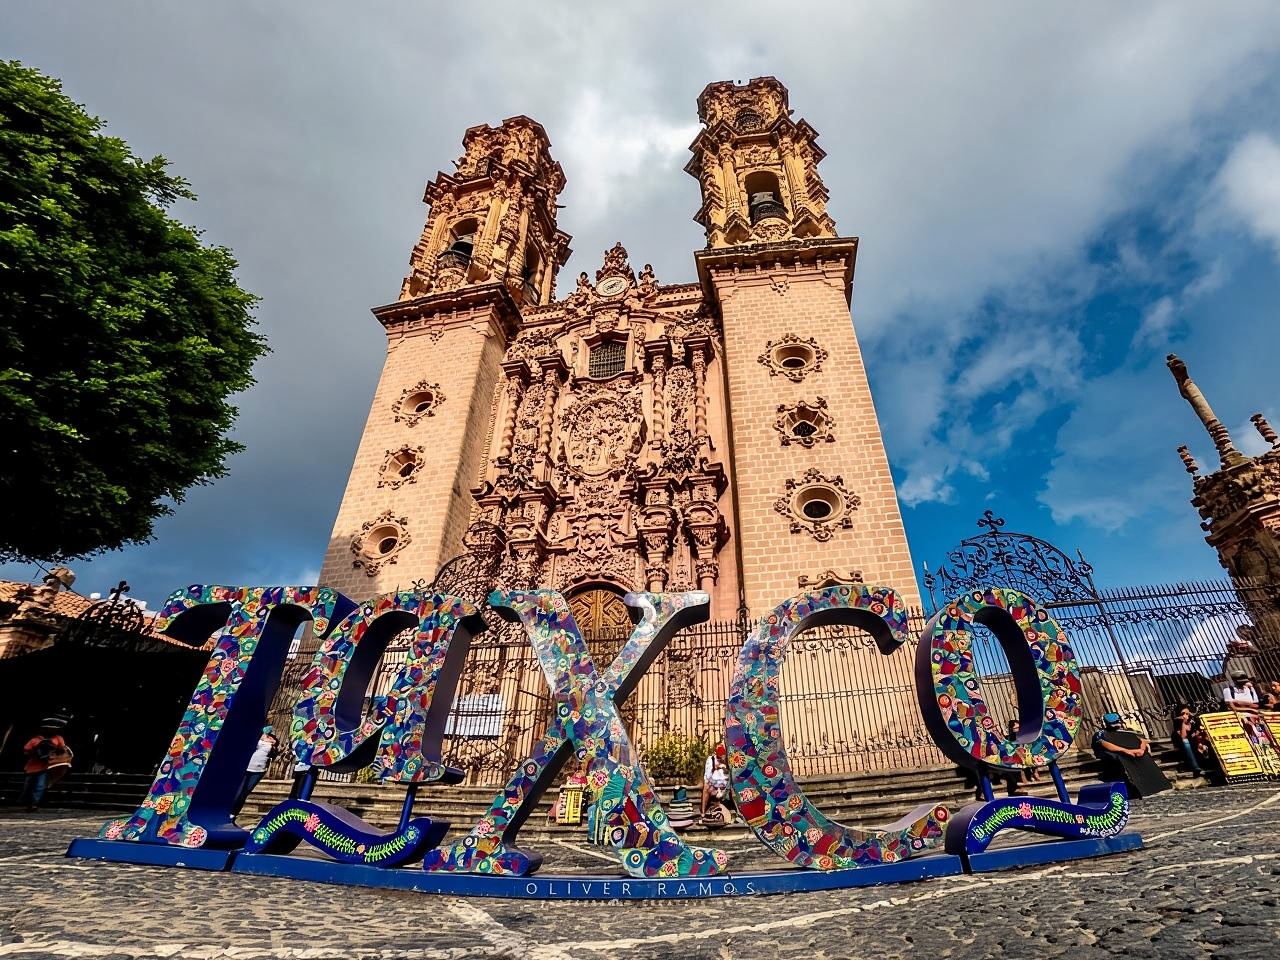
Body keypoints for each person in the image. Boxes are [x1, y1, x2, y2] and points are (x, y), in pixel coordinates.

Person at [1092, 713, 1171, 798]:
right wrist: (1126, 751)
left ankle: (1155, 784)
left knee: (1144, 756)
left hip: (1134, 752)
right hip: (1116, 754)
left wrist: (1141, 750)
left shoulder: (1126, 732)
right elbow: (1104, 744)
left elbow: (1143, 741)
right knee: (1120, 758)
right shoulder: (1101, 734)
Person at [19, 718, 73, 812]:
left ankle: (34, 804)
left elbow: (63, 750)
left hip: (46, 766)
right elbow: (26, 751)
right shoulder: (35, 739)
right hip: (32, 767)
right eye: (50, 728)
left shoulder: (58, 738)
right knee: (27, 787)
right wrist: (36, 752)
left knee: (40, 786)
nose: (52, 730)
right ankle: (27, 803)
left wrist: (55, 750)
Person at [233, 726, 278, 817]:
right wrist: (264, 734)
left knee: (246, 791)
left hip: (259, 770)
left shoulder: (272, 743)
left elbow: (275, 746)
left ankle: (234, 813)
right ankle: (229, 809)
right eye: (268, 735)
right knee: (238, 790)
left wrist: (271, 740)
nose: (270, 737)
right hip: (248, 767)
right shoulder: (258, 738)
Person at [1169, 704, 1205, 776]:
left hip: (1192, 743)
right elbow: (1184, 737)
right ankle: (1195, 767)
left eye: (1187, 713)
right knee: (1186, 743)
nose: (1185, 715)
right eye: (1183, 714)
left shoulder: (1192, 723)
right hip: (1182, 745)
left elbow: (1196, 733)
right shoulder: (1177, 723)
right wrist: (1183, 722)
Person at [701, 744, 731, 823]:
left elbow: (731, 775)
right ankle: (703, 813)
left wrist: (725, 768)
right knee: (706, 786)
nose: (721, 758)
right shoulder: (711, 760)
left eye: (723, 756)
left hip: (726, 787)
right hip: (714, 786)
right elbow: (708, 777)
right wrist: (716, 768)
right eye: (719, 757)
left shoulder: (729, 760)